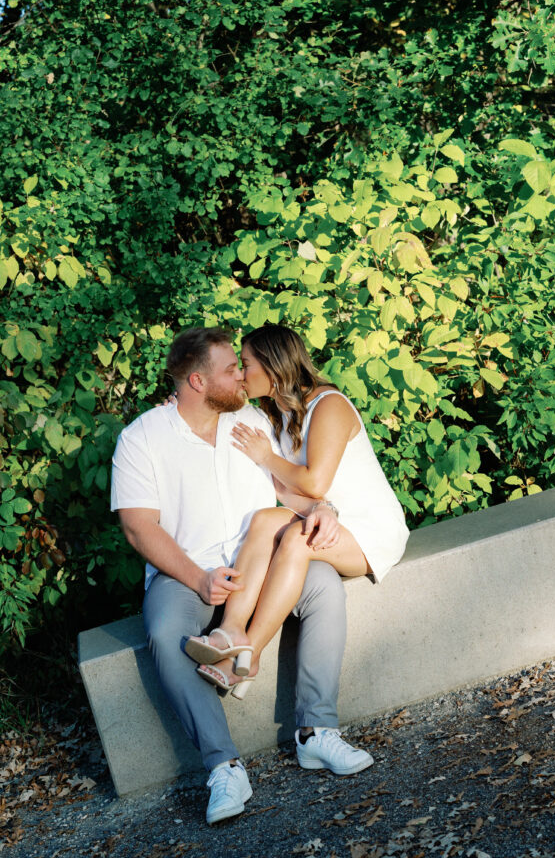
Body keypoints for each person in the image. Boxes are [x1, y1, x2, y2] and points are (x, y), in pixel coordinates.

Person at [110, 326, 374, 826]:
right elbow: (138, 528)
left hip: (262, 559)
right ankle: (225, 767)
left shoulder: (252, 421)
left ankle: (316, 733)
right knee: (165, 633)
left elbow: (290, 484)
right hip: (186, 573)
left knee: (323, 590)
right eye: (231, 368)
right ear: (196, 381)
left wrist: (325, 508)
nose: (242, 374)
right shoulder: (142, 438)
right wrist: (199, 578)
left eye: (241, 365)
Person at [185, 324, 409, 699]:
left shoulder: (329, 405)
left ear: (273, 366)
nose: (241, 373)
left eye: (246, 363)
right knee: (263, 520)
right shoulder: (283, 415)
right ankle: (232, 630)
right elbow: (283, 491)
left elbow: (315, 482)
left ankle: (250, 655)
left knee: (296, 538)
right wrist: (176, 412)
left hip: (372, 532)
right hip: (328, 521)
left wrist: (268, 458)